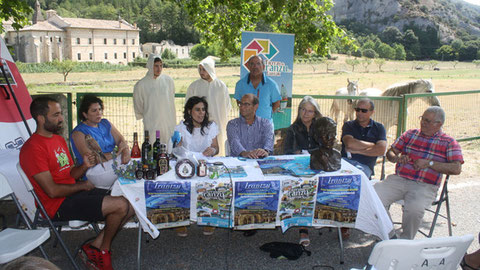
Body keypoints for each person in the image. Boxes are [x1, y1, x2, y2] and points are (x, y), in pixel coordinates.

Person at [19, 96, 135, 270]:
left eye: (60, 114)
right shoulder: (33, 148)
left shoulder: (57, 140)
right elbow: (52, 191)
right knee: (119, 205)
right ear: (41, 118)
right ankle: (103, 251)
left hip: (75, 192)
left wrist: (83, 167)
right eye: (56, 115)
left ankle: (95, 246)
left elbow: (71, 173)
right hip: (57, 205)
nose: (61, 118)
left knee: (132, 202)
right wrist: (83, 185)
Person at [374, 106, 463, 239]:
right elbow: (390, 152)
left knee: (414, 209)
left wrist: (429, 163)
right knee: (373, 197)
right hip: (399, 179)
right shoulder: (410, 134)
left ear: (439, 124)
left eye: (428, 121)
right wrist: (397, 158)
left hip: (425, 185)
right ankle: (389, 236)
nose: (423, 123)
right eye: (422, 119)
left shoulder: (449, 142)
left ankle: (405, 242)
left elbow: (456, 168)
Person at [174, 96, 219, 237]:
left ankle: (209, 218)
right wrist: (179, 147)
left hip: (205, 163)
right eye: (197, 110)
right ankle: (181, 220)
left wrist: (212, 150)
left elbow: (216, 148)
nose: (201, 113)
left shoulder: (211, 126)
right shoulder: (180, 127)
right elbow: (176, 149)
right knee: (182, 185)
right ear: (189, 111)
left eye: (203, 110)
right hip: (186, 164)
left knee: (211, 185)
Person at [70, 94, 130, 190]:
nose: (99, 113)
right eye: (94, 110)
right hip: (95, 171)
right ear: (85, 114)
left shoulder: (105, 123)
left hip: (112, 163)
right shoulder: (79, 133)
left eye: (100, 109)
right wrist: (118, 152)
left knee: (135, 158)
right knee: (132, 165)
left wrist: (125, 151)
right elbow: (94, 159)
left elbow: (121, 140)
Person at [185, 57, 231, 155]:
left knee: (218, 151)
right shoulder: (194, 86)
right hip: (198, 125)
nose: (201, 72)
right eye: (200, 69)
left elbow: (227, 107)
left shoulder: (221, 86)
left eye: (204, 69)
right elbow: (188, 106)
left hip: (217, 123)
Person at [133, 54, 176, 145]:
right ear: (150, 65)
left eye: (161, 65)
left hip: (167, 120)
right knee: (152, 144)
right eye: (156, 66)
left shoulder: (168, 81)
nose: (159, 68)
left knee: (168, 145)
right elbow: (139, 104)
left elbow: (171, 99)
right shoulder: (141, 84)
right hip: (151, 121)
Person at [341, 98, 387, 179]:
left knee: (355, 179)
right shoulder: (348, 125)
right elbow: (350, 143)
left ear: (372, 112)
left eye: (364, 111)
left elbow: (381, 150)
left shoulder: (379, 127)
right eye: (357, 110)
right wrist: (373, 145)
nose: (359, 113)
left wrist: (357, 150)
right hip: (346, 163)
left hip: (365, 167)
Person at [234, 55, 281, 124]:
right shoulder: (240, 84)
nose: (255, 66)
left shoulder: (271, 84)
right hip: (245, 125)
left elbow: (276, 103)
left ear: (263, 67)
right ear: (248, 67)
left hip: (265, 125)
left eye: (258, 63)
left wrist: (265, 114)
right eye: (252, 64)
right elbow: (238, 101)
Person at [227, 93, 274, 158]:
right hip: (239, 162)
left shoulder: (265, 124)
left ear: (255, 106)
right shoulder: (233, 124)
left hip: (259, 160)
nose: (242, 107)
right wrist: (245, 153)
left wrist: (265, 151)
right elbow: (234, 142)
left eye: (246, 104)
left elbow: (269, 140)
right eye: (241, 104)